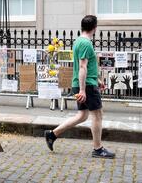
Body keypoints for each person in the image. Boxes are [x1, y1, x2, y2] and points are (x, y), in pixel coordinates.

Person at [44, 15, 115, 159]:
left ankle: (52, 134)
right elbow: (82, 67)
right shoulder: (85, 43)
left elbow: (86, 66)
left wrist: (97, 79)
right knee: (97, 115)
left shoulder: (78, 41)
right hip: (86, 86)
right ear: (94, 28)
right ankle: (97, 149)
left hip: (85, 82)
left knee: (82, 115)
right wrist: (83, 90)